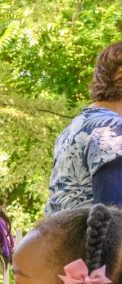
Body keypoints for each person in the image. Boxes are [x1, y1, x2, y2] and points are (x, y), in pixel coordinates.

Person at [46, 41, 122, 214]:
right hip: (91, 239)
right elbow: (113, 217)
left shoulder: (72, 128)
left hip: (58, 237)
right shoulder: (114, 130)